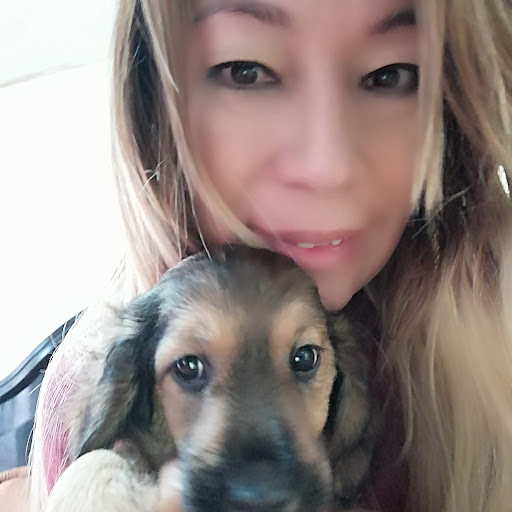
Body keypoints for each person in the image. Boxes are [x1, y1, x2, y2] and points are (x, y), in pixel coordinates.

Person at [27, 0, 512, 511]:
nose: (327, 166)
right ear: (151, 103)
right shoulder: (85, 398)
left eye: (389, 74)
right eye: (246, 71)